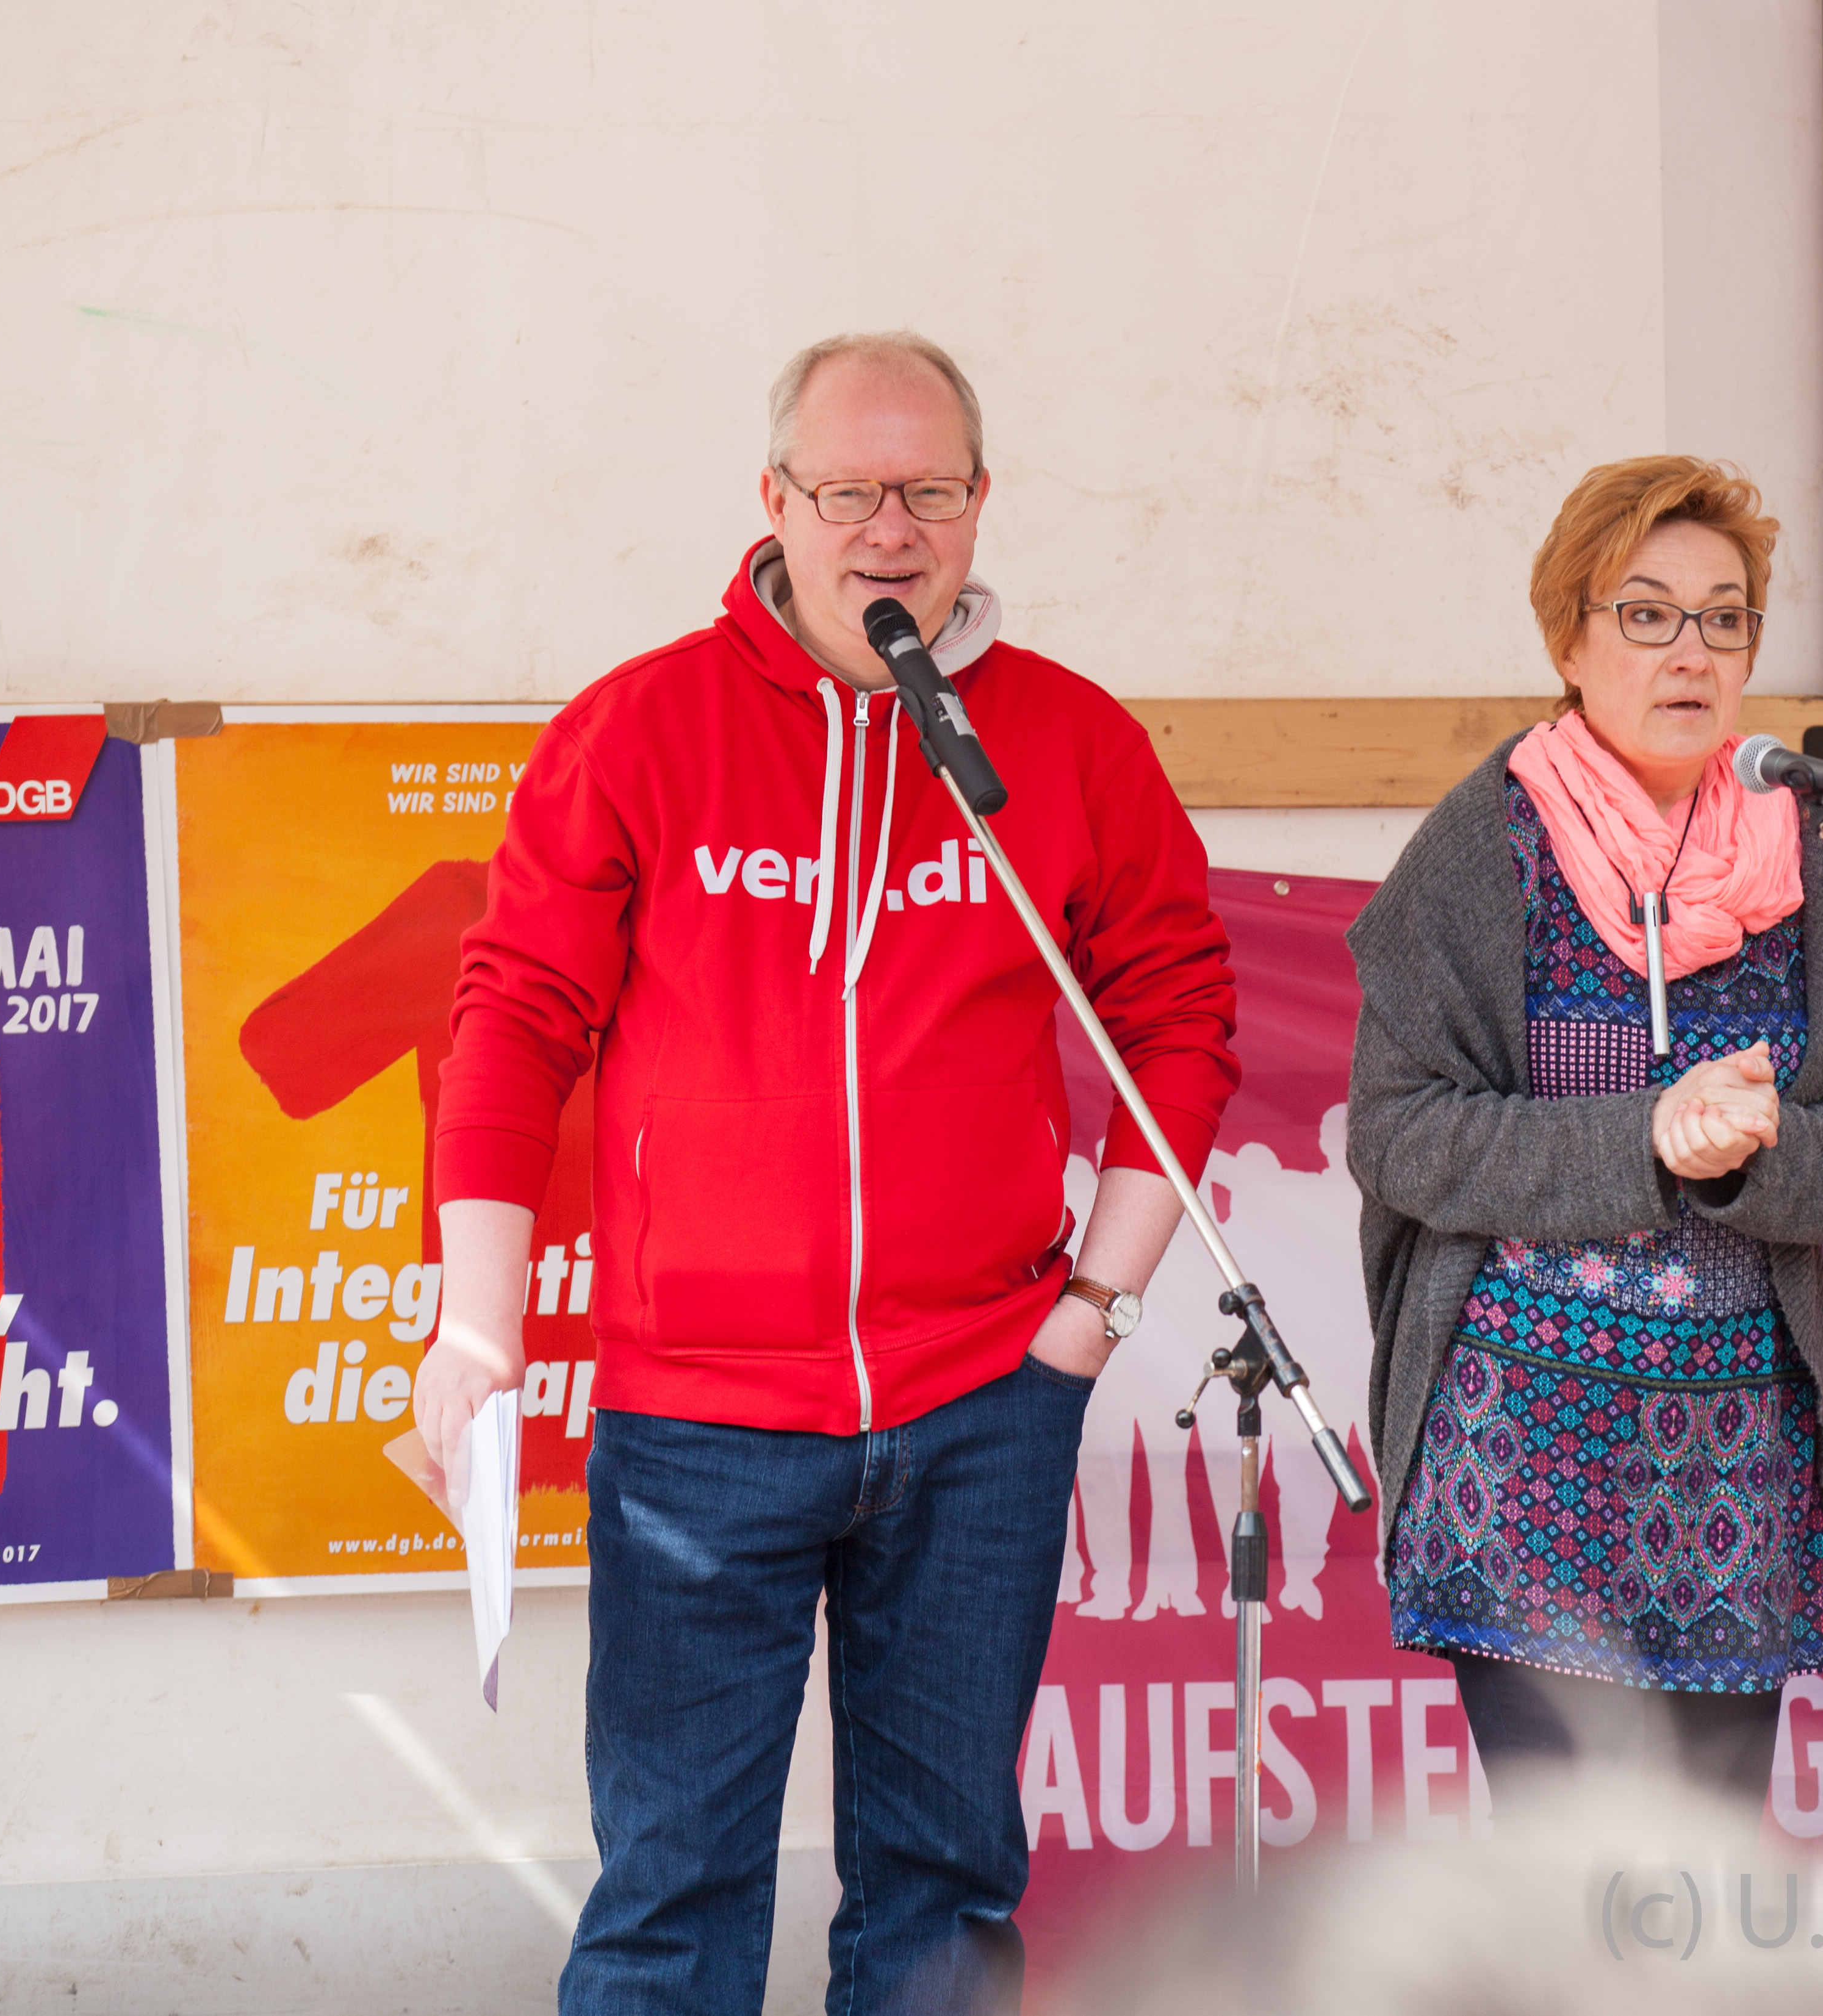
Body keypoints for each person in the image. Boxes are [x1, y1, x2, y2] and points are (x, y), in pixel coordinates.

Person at [412, 331, 1240, 2014]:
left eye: (926, 490)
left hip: (982, 1399)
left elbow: (1178, 1019)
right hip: (698, 1416)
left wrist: (1092, 1309)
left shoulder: (1066, 741)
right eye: (849, 489)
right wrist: (476, 1323)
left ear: (980, 502)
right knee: (672, 1893)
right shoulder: (639, 727)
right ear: (774, 499)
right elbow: (512, 1023)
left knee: (943, 1892)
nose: (889, 529)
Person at [1346, 456, 1823, 1799]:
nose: (1691, 652)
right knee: (1572, 1884)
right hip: (1520, 1443)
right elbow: (1401, 1134)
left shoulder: (1822, 853)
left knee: (1704, 1884)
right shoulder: (1485, 847)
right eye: (1647, 614)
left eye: (1724, 619)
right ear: (1570, 641)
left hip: (1736, 1459)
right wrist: (1645, 1140)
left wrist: (1751, 1160)